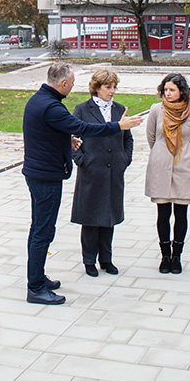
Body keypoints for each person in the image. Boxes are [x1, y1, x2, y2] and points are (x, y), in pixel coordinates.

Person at [22, 62, 143, 305]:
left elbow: (49, 134)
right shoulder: (52, 107)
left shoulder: (39, 100)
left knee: (41, 230)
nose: (74, 87)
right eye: (72, 83)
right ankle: (35, 287)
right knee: (42, 232)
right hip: (45, 177)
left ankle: (38, 277)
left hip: (40, 173)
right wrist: (118, 126)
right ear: (63, 84)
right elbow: (84, 127)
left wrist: (68, 142)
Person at [71, 69, 134, 276]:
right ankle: (89, 260)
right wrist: (83, 161)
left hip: (114, 171)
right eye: (108, 87)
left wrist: (124, 159)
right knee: (91, 219)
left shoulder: (119, 109)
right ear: (96, 88)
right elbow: (72, 139)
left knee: (109, 217)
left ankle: (106, 259)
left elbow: (128, 138)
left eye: (115, 87)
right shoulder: (82, 109)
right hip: (92, 171)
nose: (112, 91)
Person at [144, 73, 190, 275]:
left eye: (172, 90)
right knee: (163, 213)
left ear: (181, 92)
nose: (167, 94)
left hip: (183, 166)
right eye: (165, 90)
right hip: (160, 165)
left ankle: (177, 255)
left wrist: (181, 154)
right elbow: (151, 137)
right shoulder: (155, 110)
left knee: (181, 213)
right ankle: (164, 255)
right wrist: (162, 154)